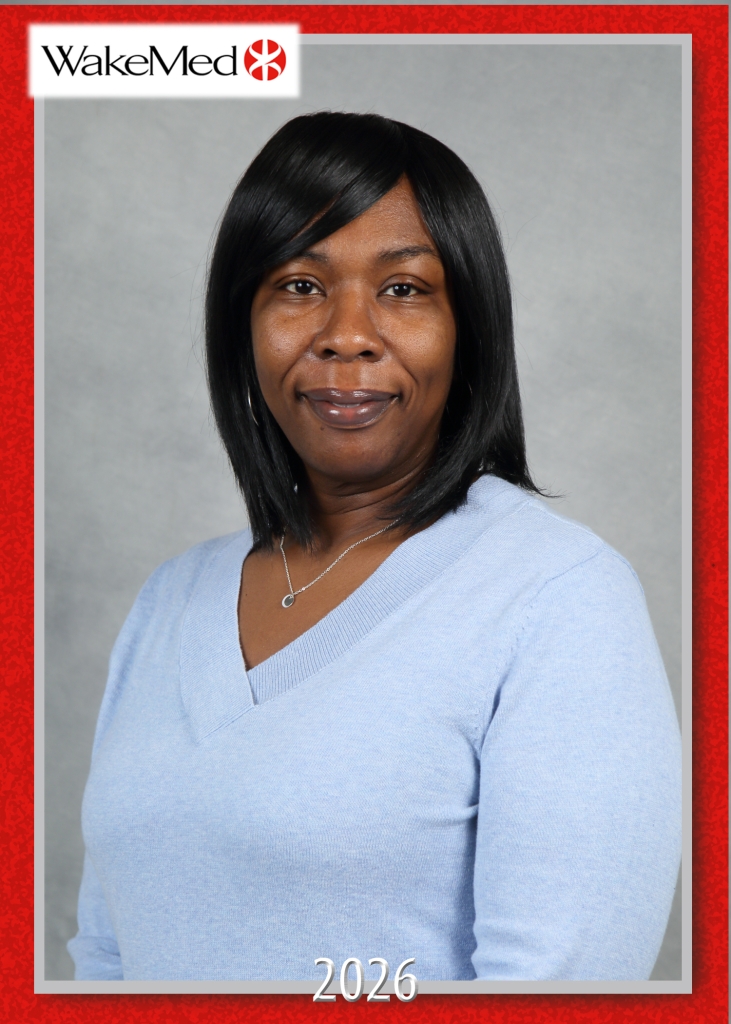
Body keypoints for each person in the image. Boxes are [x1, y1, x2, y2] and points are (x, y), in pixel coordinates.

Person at [68, 112, 682, 982]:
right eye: (298, 284)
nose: (346, 332)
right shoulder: (169, 600)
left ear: (468, 325)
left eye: (402, 288)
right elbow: (106, 959)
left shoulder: (558, 596)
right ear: (241, 321)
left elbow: (560, 994)